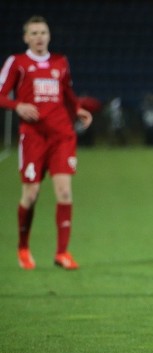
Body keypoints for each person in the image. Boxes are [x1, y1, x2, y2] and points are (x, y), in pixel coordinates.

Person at [0, 15, 93, 270]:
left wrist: (78, 109)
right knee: (31, 194)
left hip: (61, 135)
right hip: (33, 137)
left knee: (64, 192)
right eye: (34, 33)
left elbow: (67, 92)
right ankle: (23, 247)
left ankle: (62, 253)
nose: (39, 37)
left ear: (49, 36)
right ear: (25, 38)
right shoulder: (17, 63)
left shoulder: (60, 62)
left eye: (43, 32)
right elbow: (0, 95)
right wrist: (17, 105)